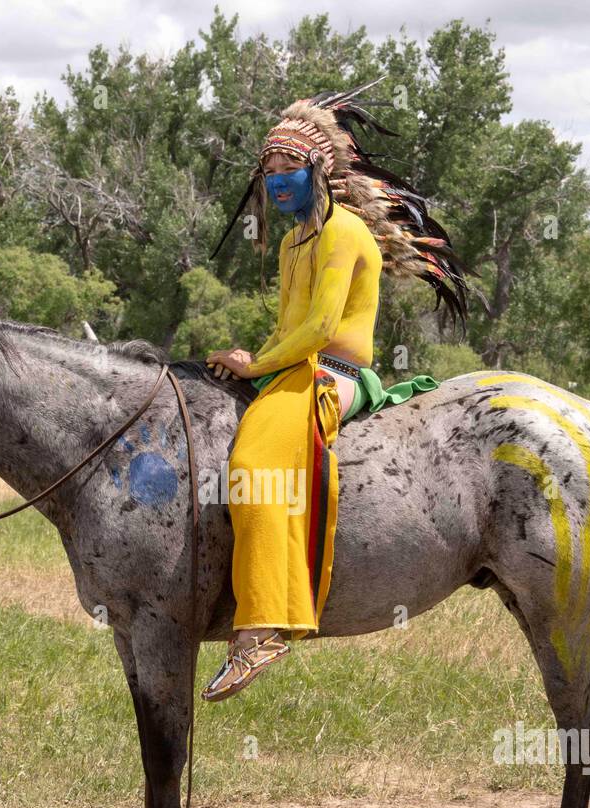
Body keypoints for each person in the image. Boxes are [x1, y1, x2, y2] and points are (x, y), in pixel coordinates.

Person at [202, 84, 467, 701]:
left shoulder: (344, 233)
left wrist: (255, 365)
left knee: (254, 464)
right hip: (289, 368)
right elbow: (288, 326)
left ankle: (260, 630)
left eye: (288, 167)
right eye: (268, 171)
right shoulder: (294, 242)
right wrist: (253, 360)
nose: (276, 181)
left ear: (319, 168)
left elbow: (321, 329)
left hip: (333, 376)